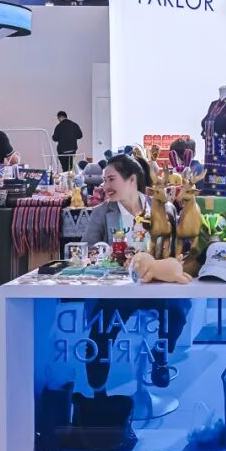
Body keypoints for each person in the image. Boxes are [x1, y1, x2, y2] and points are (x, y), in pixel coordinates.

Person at [81, 155, 187, 389]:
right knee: (101, 329)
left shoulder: (163, 208)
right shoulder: (101, 213)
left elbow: (176, 248)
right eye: (104, 181)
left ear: (131, 180)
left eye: (111, 179)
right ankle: (97, 394)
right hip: (117, 289)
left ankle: (161, 356)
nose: (105, 186)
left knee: (176, 313)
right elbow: (86, 250)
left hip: (157, 285)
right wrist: (110, 255)